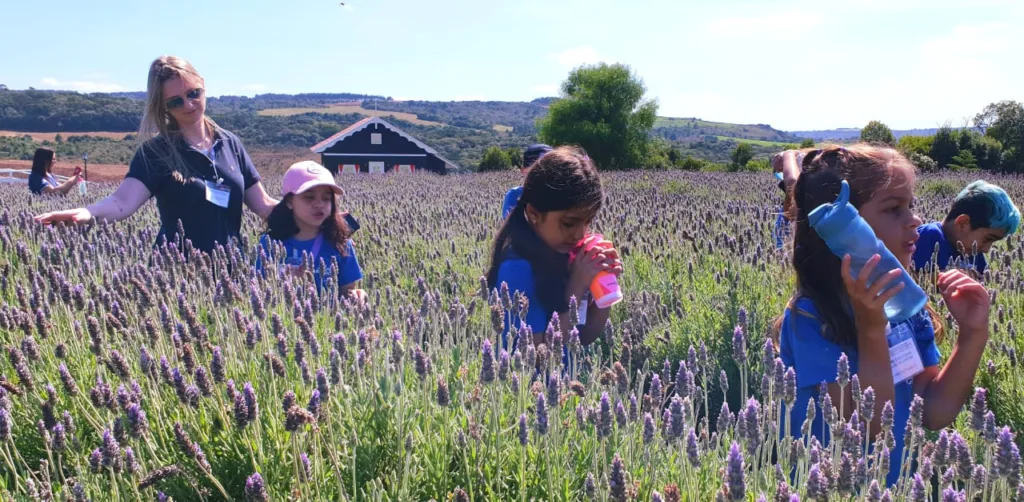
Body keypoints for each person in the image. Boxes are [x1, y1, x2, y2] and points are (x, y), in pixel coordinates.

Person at [775, 145, 990, 487]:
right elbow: (866, 429)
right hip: (831, 488)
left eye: (911, 206)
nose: (915, 220)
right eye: (893, 209)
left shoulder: (906, 310)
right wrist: (872, 330)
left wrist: (972, 335)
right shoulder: (811, 318)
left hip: (897, 486)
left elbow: (933, 412)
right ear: (843, 227)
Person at [34, 56, 278, 254]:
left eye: (194, 93)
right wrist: (87, 213)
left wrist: (311, 208)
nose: (189, 104)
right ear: (162, 106)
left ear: (203, 84)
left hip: (230, 270)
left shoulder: (230, 143)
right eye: (175, 102)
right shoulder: (155, 152)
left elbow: (264, 205)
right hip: (175, 276)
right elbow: (122, 202)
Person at [486, 146, 623, 357]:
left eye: (587, 222)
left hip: (564, 385)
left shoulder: (559, 255)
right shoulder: (517, 270)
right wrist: (577, 283)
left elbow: (584, 336)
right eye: (569, 223)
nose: (580, 234)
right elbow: (539, 356)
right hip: (529, 387)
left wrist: (604, 289)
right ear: (534, 214)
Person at [257, 161, 366, 301]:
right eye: (309, 197)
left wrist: (358, 296)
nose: (319, 204)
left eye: (326, 198)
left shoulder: (341, 244)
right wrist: (280, 279)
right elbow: (257, 289)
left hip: (329, 321)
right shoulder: (269, 243)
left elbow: (347, 292)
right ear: (289, 201)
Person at [912, 180, 1019, 275]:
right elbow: (912, 278)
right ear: (962, 223)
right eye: (987, 239)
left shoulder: (974, 253)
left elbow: (983, 280)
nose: (986, 249)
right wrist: (952, 277)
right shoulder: (929, 235)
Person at [501, 143, 552, 220]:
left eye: (552, 168)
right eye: (539, 168)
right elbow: (511, 229)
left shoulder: (564, 194)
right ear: (524, 171)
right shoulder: (515, 195)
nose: (546, 173)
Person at [770, 148, 807, 249]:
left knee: (781, 241)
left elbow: (792, 181)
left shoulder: (791, 158)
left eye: (779, 169)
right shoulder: (806, 157)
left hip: (798, 208)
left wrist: (787, 210)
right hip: (802, 208)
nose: (778, 172)